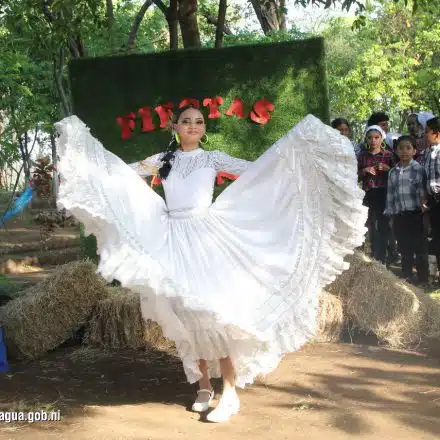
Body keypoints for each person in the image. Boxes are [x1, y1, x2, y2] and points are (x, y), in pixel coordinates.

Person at [54, 108, 367, 423]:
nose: (193, 126)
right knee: (187, 314)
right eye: (186, 121)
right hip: (173, 239)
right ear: (175, 126)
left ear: (204, 128)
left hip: (206, 238)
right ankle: (203, 386)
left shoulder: (212, 158)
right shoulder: (162, 159)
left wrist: (295, 160)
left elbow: (259, 170)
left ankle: (229, 392)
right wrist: (83, 163)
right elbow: (120, 173)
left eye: (199, 122)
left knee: (214, 313)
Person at [384, 136, 429, 284]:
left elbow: (423, 192)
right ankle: (407, 276)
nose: (404, 151)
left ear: (414, 151)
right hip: (400, 216)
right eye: (401, 148)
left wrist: (424, 212)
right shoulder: (393, 172)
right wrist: (390, 214)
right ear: (396, 151)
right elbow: (390, 195)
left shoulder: (419, 169)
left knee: (420, 247)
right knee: (404, 247)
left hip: (416, 215)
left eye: (408, 148)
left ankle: (423, 278)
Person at [358, 125, 394, 264]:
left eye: (376, 137)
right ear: (366, 139)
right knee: (368, 224)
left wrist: (387, 169)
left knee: (383, 225)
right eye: (370, 138)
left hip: (384, 193)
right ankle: (368, 255)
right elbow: (356, 176)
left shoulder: (388, 155)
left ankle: (383, 257)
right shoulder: (362, 155)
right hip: (367, 193)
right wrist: (364, 170)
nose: (373, 140)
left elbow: (397, 174)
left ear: (382, 139)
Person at [424, 116, 440, 284]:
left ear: (437, 133)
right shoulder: (428, 152)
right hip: (433, 200)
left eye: (427, 131)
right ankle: (433, 275)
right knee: (435, 236)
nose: (424, 134)